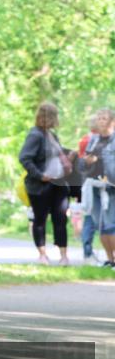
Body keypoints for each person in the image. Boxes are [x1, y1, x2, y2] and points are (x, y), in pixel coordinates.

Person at [18, 102, 72, 265]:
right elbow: (24, 158)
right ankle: (42, 255)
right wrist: (40, 175)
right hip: (40, 186)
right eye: (55, 116)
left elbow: (57, 154)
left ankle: (63, 256)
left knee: (60, 218)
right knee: (40, 219)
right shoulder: (35, 135)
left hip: (58, 184)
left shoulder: (51, 135)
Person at [79, 108, 115, 267]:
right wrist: (86, 161)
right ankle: (110, 260)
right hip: (94, 186)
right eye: (99, 118)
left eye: (104, 118)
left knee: (110, 225)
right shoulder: (93, 140)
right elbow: (83, 162)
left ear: (112, 122)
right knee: (101, 226)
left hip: (111, 187)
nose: (101, 121)